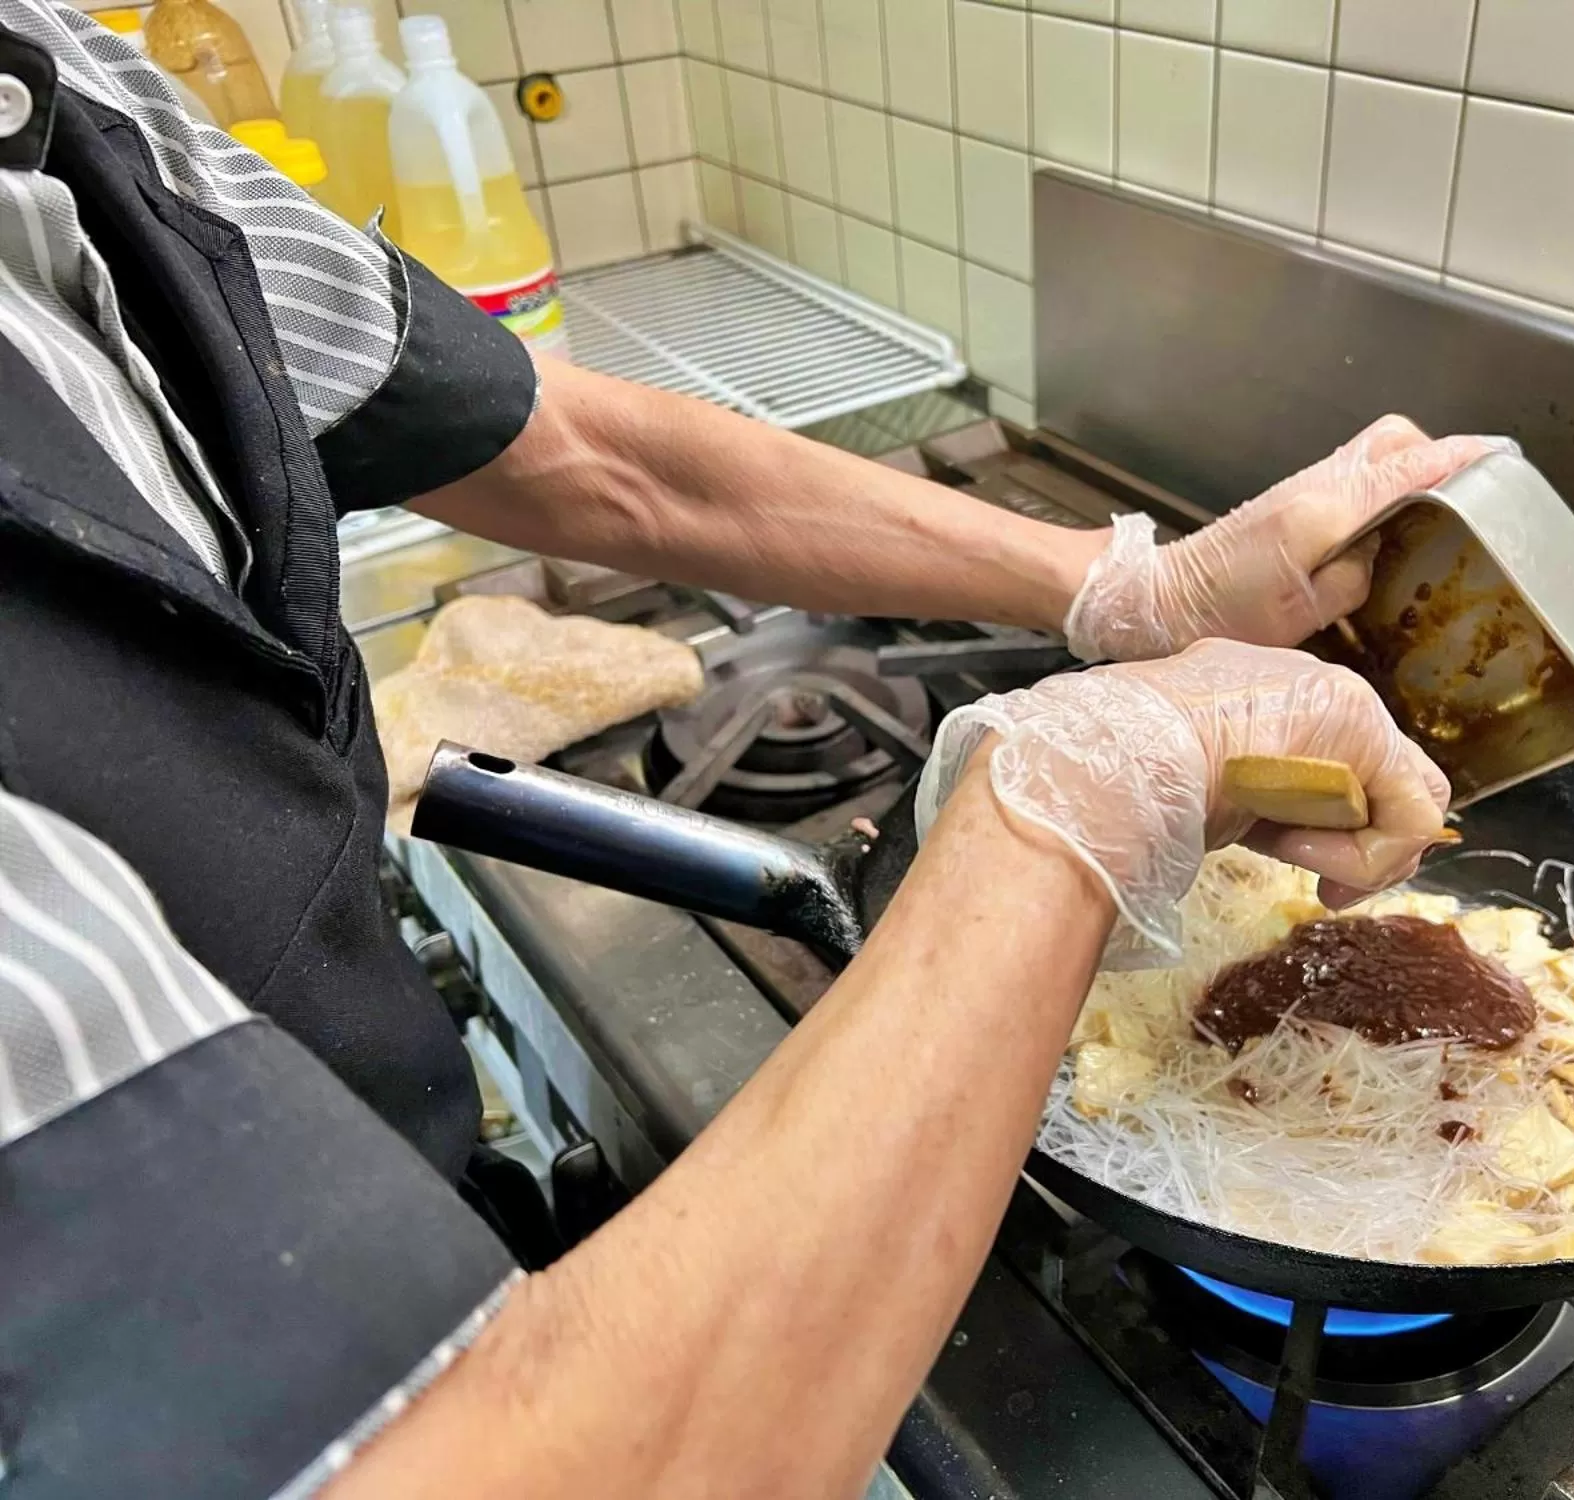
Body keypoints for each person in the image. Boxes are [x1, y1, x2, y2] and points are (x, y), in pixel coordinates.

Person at [0, 2, 1496, 1494]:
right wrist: (1074, 800)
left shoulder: (61, 85)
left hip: (375, 1173)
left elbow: (573, 453)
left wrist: (1121, 588)